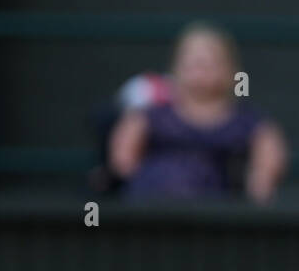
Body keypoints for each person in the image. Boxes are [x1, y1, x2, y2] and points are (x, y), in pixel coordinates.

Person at [109, 22, 288, 203]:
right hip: (151, 214)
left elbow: (267, 168)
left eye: (210, 63)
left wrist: (261, 183)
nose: (200, 70)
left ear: (231, 70)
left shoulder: (249, 124)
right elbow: (122, 160)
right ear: (175, 67)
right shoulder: (148, 116)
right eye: (192, 63)